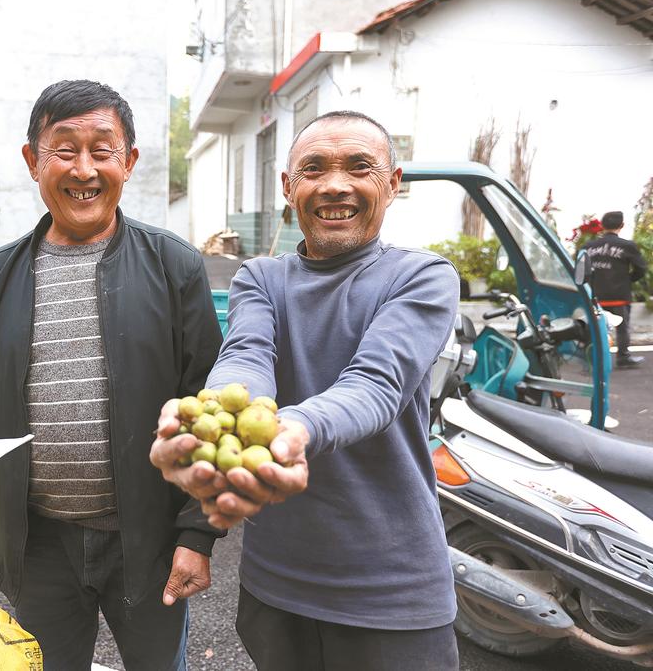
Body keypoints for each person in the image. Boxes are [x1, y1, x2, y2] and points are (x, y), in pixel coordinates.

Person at [0, 80, 223, 671]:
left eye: (103, 149)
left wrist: (196, 535)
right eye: (64, 149)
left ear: (131, 162)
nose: (84, 168)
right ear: (32, 162)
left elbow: (207, 403)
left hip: (147, 540)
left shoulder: (174, 265)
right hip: (36, 543)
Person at [151, 111, 461, 670]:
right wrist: (214, 414)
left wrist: (293, 429)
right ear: (290, 189)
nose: (335, 184)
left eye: (359, 167)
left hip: (392, 592)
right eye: (314, 169)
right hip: (277, 587)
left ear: (392, 184)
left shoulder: (422, 277)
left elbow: (376, 383)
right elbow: (245, 357)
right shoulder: (261, 278)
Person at [581, 210, 648, 368]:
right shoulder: (627, 246)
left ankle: (591, 361)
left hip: (595, 294)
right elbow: (641, 268)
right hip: (619, 294)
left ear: (602, 226)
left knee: (594, 327)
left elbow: (580, 269)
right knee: (622, 327)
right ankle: (623, 358)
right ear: (622, 225)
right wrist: (628, 279)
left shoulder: (588, 247)